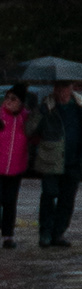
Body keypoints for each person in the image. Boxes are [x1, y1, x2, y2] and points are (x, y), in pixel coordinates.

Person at [33, 78, 82, 249]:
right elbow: (31, 129)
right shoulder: (47, 106)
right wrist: (40, 112)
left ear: (71, 88)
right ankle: (45, 233)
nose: (60, 91)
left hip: (74, 160)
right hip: (50, 159)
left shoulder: (81, 106)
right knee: (49, 195)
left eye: (64, 87)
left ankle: (58, 232)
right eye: (58, 87)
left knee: (67, 200)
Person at [0, 82, 34, 249]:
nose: (8, 101)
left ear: (21, 102)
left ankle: (8, 235)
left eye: (13, 99)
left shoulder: (26, 118)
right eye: (7, 97)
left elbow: (35, 136)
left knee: (10, 201)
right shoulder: (0, 115)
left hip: (16, 167)